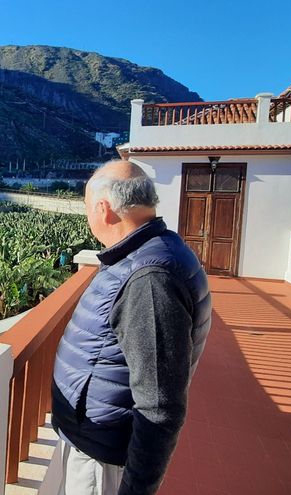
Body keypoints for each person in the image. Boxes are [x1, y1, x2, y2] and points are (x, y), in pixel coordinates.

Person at [51, 160, 212, 495]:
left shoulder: (150, 278)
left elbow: (159, 406)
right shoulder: (146, 254)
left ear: (104, 209)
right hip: (98, 439)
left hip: (104, 458)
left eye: (86, 207)